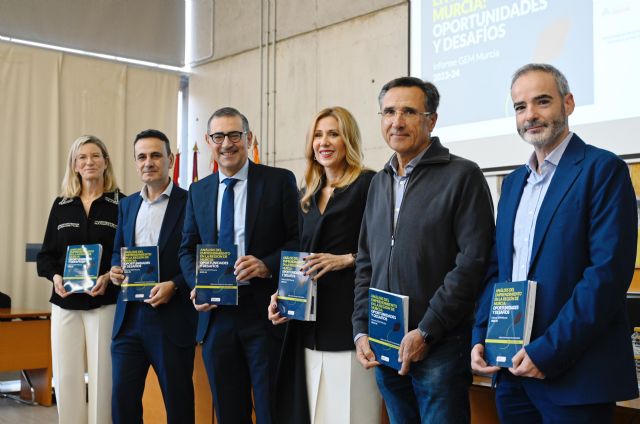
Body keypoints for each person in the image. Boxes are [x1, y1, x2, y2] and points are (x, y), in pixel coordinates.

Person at [471, 63, 639, 423]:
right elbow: (498, 272)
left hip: (574, 376)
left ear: (569, 103)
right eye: (520, 107)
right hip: (511, 373)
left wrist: (547, 352)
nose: (530, 115)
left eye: (542, 101)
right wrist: (481, 336)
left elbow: (606, 277)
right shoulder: (512, 184)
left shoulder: (603, 170)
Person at [351, 77, 495, 423]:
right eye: (389, 112)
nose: (397, 121)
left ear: (431, 120)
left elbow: (472, 263)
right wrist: (361, 328)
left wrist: (427, 331)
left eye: (409, 112)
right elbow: (366, 261)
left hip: (440, 346)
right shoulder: (379, 182)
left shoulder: (463, 175)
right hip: (386, 343)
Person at [179, 107, 299, 424]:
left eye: (235, 135)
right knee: (229, 412)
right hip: (216, 317)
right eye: (218, 136)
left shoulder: (278, 181)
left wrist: (267, 265)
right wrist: (197, 285)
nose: (227, 143)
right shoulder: (198, 191)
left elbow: (299, 241)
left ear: (249, 138)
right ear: (208, 141)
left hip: (265, 313)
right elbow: (187, 249)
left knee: (271, 409)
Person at [268, 107, 380, 424]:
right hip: (307, 330)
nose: (324, 142)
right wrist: (281, 296)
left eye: (333, 134)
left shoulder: (369, 184)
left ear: (348, 140)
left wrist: (347, 258)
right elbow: (300, 257)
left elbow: (388, 248)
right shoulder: (306, 194)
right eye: (318, 135)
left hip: (349, 328)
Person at [109, 129, 197, 423]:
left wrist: (175, 285)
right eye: (142, 157)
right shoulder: (127, 205)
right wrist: (115, 270)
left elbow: (200, 256)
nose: (148, 162)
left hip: (172, 319)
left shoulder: (191, 201)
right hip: (128, 320)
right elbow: (117, 251)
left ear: (170, 159)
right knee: (122, 403)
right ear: (135, 162)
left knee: (178, 403)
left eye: (156, 155)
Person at [37, 135, 123, 424]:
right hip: (65, 302)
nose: (89, 162)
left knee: (103, 377)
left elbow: (128, 254)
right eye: (82, 157)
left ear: (106, 162)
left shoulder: (122, 204)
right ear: (74, 165)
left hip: (104, 302)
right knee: (66, 376)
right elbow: (46, 255)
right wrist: (55, 276)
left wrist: (109, 276)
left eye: (95, 156)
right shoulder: (61, 205)